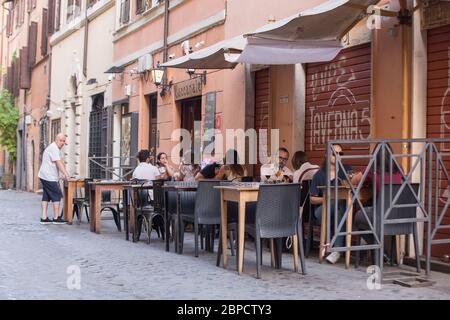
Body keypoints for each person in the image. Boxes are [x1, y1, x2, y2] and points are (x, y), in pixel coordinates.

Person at [309, 143, 355, 264]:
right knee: (340, 202)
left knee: (341, 206)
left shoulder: (346, 170)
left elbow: (352, 185)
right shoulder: (319, 175)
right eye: (335, 153)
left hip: (340, 207)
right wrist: (328, 199)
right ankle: (339, 247)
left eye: (340, 153)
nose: (338, 155)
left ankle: (337, 250)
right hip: (321, 209)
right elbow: (312, 199)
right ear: (326, 156)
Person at [38, 133, 70, 225]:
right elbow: (58, 163)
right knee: (57, 194)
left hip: (45, 175)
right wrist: (66, 174)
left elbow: (62, 162)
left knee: (46, 195)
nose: (62, 142)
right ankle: (56, 218)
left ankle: (44, 218)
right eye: (61, 140)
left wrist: (62, 174)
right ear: (56, 140)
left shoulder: (58, 150)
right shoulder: (53, 148)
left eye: (64, 141)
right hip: (48, 176)